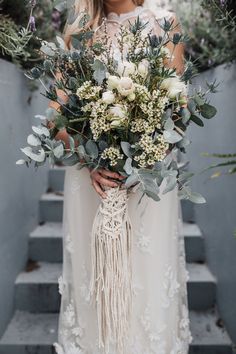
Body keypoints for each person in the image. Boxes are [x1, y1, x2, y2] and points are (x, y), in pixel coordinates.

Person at [51, 1, 193, 353]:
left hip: (146, 188)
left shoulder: (165, 24)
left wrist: (143, 159)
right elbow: (56, 121)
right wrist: (90, 158)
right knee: (97, 289)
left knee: (146, 287)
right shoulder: (78, 35)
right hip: (92, 185)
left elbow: (179, 113)